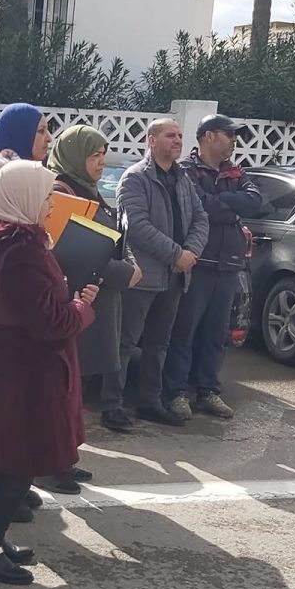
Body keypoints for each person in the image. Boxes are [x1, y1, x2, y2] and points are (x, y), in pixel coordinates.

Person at [0, 161, 97, 584]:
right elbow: (50, 322)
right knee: (19, 462)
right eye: (46, 196)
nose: (51, 204)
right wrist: (82, 307)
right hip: (26, 373)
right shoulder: (22, 251)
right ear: (23, 198)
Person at [45, 124, 140, 488]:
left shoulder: (90, 191)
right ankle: (50, 465)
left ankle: (63, 459)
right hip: (74, 300)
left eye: (103, 155)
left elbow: (112, 238)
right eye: (93, 156)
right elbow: (66, 253)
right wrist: (124, 272)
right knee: (62, 390)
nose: (101, 163)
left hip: (94, 298)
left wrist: (128, 264)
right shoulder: (61, 192)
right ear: (74, 157)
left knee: (75, 391)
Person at [104, 118, 209, 429]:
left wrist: (190, 253)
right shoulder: (135, 179)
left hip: (175, 277)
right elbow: (137, 227)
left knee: (159, 343)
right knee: (124, 342)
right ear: (151, 140)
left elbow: (201, 219)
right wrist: (177, 254)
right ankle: (112, 405)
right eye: (170, 135)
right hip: (142, 276)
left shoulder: (183, 179)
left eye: (179, 136)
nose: (177, 141)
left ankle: (149, 402)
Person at [164, 115, 263, 421]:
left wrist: (221, 202)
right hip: (197, 262)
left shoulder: (237, 172)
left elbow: (255, 202)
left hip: (228, 264)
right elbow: (199, 206)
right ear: (208, 136)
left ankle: (208, 391)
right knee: (184, 331)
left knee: (216, 333)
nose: (234, 141)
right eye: (229, 134)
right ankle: (177, 392)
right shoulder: (186, 171)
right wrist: (230, 206)